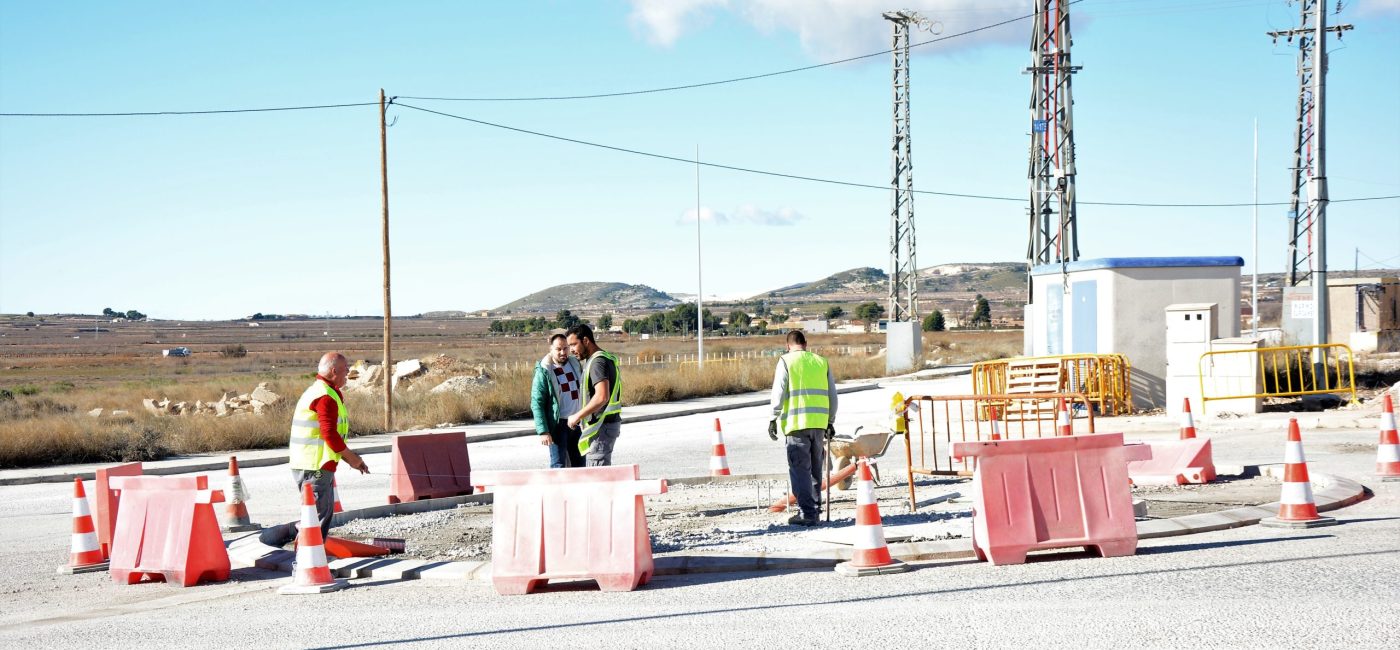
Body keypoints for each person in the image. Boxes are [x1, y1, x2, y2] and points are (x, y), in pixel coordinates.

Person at [260, 352, 370, 547]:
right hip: (314, 465)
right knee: (317, 516)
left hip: (315, 463)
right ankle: (308, 561)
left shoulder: (324, 391)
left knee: (321, 512)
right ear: (334, 370)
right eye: (345, 370)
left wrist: (350, 459)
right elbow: (329, 434)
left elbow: (330, 434)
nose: (347, 374)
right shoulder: (325, 396)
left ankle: (306, 551)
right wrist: (352, 458)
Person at [767, 330, 837, 527]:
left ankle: (807, 514)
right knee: (815, 470)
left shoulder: (786, 361)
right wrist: (830, 421)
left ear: (787, 345)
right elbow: (833, 395)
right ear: (805, 344)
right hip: (819, 424)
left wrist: (773, 417)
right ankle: (814, 511)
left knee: (800, 471)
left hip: (796, 425)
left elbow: (778, 391)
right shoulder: (821, 362)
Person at [565, 324, 623, 466]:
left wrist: (577, 416)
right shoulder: (600, 359)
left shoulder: (597, 362)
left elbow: (602, 396)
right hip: (604, 426)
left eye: (573, 344)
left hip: (601, 427)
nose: (571, 350)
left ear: (585, 341)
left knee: (598, 477)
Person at [531, 332, 585, 468]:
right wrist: (543, 431)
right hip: (558, 425)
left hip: (577, 423)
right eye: (558, 349)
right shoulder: (544, 371)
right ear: (551, 349)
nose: (563, 352)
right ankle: (557, 490)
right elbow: (537, 402)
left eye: (565, 348)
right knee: (558, 466)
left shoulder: (575, 364)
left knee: (580, 465)